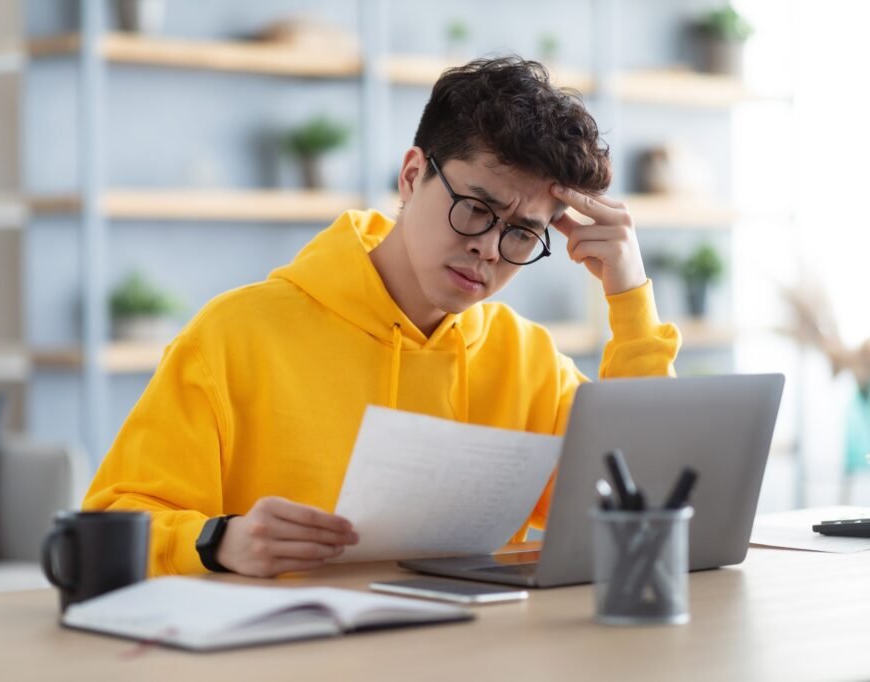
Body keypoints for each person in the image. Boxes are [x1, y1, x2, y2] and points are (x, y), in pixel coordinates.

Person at [83, 57, 681, 578]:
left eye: (523, 233)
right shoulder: (234, 336)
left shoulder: (526, 363)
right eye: (476, 208)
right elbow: (107, 529)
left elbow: (644, 508)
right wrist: (218, 541)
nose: (491, 249)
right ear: (413, 174)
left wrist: (629, 299)